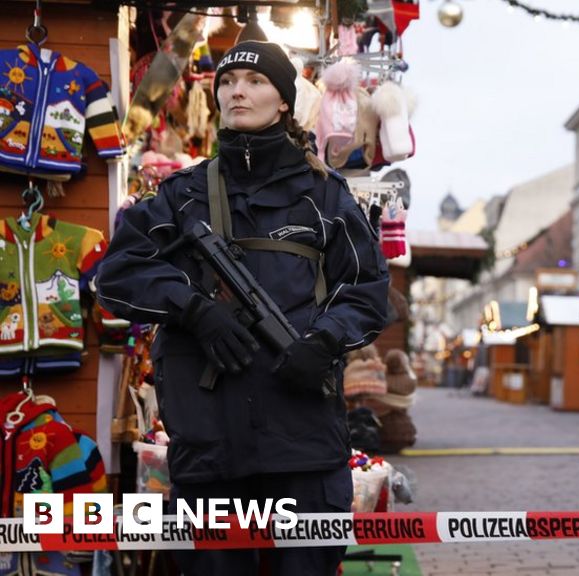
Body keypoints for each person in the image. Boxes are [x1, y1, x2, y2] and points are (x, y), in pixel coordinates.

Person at [97, 41, 389, 575]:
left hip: (303, 443)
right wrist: (192, 309)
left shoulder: (324, 196)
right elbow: (115, 275)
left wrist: (323, 341)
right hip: (211, 446)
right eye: (229, 81)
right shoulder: (181, 195)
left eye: (256, 81)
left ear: (283, 101)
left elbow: (368, 289)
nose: (238, 90)